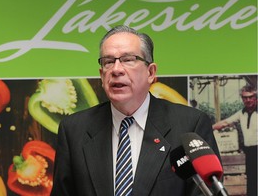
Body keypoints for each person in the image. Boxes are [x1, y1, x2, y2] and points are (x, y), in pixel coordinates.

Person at [51, 25, 220, 196]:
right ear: (102, 75)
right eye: (108, 62)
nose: (116, 69)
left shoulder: (190, 125)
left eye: (128, 59)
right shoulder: (74, 130)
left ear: (151, 72)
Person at [213, 85, 257, 196]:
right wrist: (207, 127)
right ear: (242, 99)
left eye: (250, 97)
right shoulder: (241, 113)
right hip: (250, 151)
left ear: (255, 97)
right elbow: (225, 123)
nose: (248, 100)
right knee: (251, 176)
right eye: (245, 98)